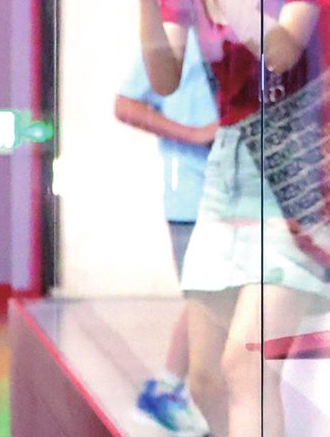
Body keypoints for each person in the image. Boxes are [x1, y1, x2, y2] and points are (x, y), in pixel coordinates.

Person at [126, 0, 330, 437]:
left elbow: (279, 48)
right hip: (228, 171)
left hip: (301, 170)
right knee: (202, 378)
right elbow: (164, 79)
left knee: (246, 365)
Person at [115, 29, 217, 437]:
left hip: (247, 197)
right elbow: (124, 104)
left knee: (212, 302)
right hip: (193, 196)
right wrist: (194, 134)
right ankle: (170, 390)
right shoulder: (178, 38)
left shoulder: (257, 33)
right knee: (209, 301)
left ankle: (168, 389)